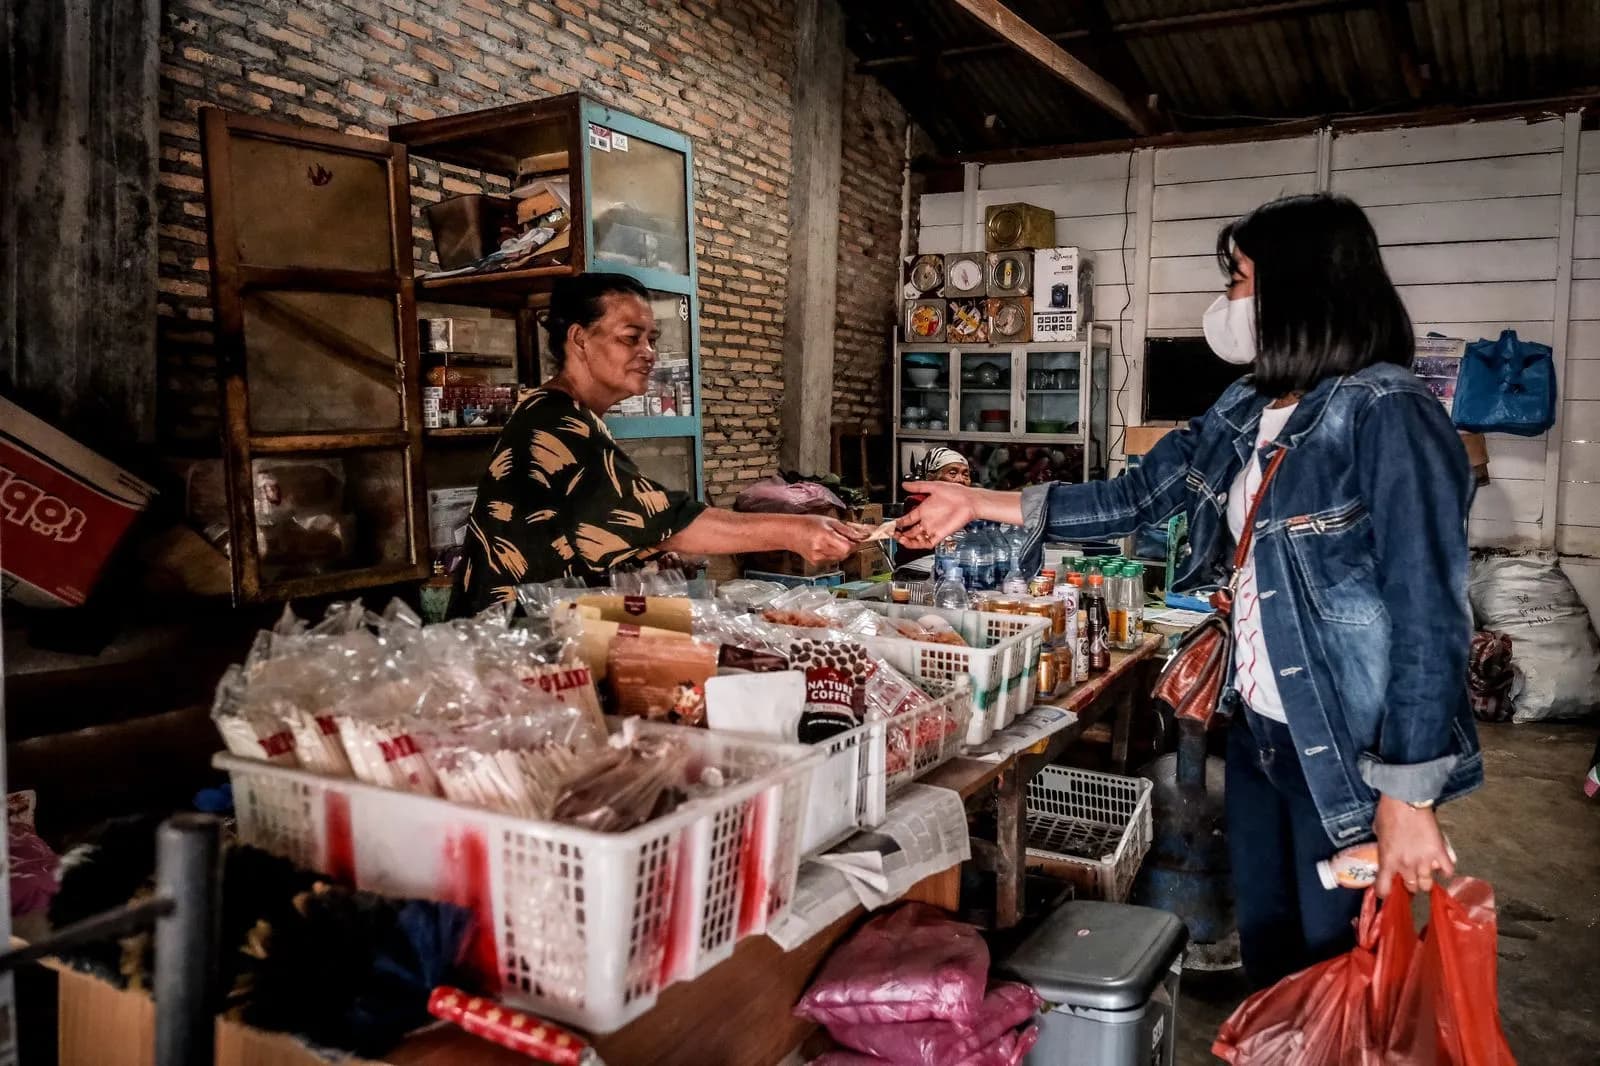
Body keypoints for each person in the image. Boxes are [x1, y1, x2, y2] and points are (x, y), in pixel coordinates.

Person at [896, 194, 1479, 987]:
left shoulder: (1386, 413)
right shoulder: (1248, 406)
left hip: (1345, 751)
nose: (1228, 302)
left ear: (1301, 288)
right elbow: (1135, 497)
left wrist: (1409, 795)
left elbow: (1429, 612)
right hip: (1260, 734)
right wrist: (978, 502)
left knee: (1344, 969)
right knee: (1272, 948)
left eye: (1239, 279)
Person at [452, 273, 865, 615]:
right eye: (630, 338)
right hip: (508, 643)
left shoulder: (571, 416)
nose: (648, 352)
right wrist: (793, 530)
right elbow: (659, 519)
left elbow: (597, 526)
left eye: (652, 338)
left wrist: (640, 557)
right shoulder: (556, 424)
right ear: (579, 339)